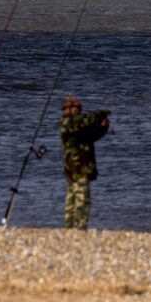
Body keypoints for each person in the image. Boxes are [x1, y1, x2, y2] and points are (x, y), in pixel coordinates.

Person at [60, 96, 109, 230]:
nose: (79, 111)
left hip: (79, 168)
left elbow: (91, 137)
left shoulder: (77, 126)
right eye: (77, 108)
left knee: (73, 199)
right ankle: (79, 228)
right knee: (81, 200)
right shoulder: (67, 123)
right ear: (69, 109)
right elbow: (85, 120)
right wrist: (100, 114)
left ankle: (69, 229)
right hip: (77, 168)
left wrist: (103, 128)